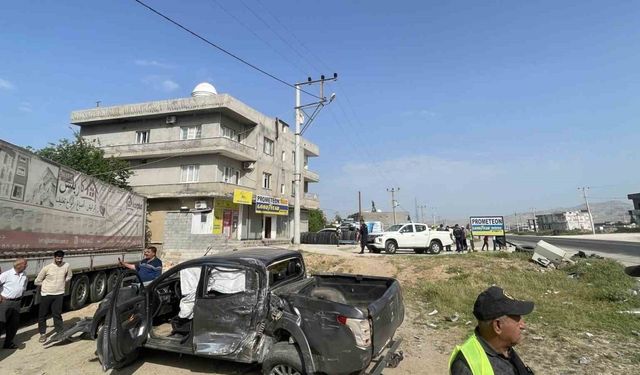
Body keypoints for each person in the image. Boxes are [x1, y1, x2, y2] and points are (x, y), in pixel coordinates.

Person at [450, 286, 535, 375]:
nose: (523, 325)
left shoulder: (505, 349)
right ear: (497, 326)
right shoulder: (465, 366)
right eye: (517, 319)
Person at [35, 250, 72, 343]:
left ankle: (60, 332)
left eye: (61, 258)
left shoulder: (66, 266)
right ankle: (43, 334)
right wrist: (46, 285)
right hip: (46, 294)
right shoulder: (47, 268)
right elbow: (37, 281)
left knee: (57, 314)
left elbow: (69, 276)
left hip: (59, 294)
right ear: (54, 257)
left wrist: (63, 281)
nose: (59, 260)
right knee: (42, 315)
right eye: (57, 258)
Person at [0, 258, 28, 349]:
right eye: (25, 264)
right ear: (19, 265)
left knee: (14, 324)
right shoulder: (6, 274)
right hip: (5, 302)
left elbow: (24, 287)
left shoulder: (24, 275)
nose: (26, 266)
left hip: (17, 302)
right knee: (1, 323)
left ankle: (8, 343)